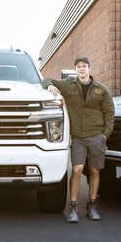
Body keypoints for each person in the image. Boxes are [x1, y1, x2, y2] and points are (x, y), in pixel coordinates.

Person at [42, 56, 114, 223]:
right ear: (76, 69)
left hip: (97, 136)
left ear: (89, 68)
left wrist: (105, 135)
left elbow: (109, 113)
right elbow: (45, 79)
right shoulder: (68, 84)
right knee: (77, 170)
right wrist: (51, 86)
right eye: (79, 67)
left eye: (84, 66)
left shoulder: (101, 89)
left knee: (95, 171)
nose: (82, 69)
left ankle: (92, 205)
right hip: (78, 138)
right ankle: (73, 207)